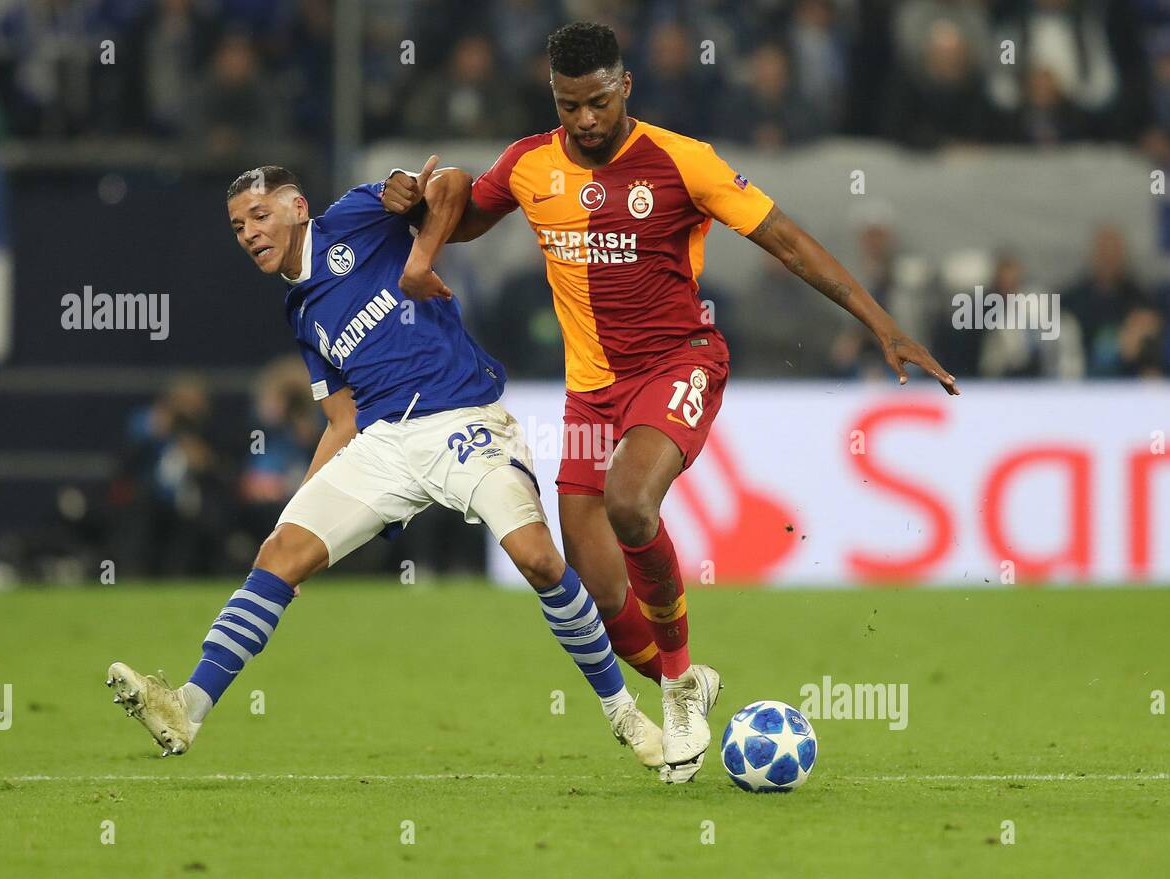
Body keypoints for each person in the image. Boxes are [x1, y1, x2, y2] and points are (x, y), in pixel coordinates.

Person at [382, 22, 958, 782]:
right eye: (567, 105)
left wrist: (883, 325)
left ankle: (682, 689)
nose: (583, 120)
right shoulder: (528, 164)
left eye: (596, 101)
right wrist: (407, 204)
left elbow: (788, 241)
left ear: (626, 87)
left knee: (629, 505)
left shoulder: (682, 162)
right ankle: (681, 677)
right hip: (591, 394)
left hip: (678, 364)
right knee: (595, 582)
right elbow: (456, 221)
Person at [107, 161, 663, 774]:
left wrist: (419, 251)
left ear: (297, 206)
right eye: (238, 228)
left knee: (537, 558)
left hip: (462, 419)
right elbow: (342, 421)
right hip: (382, 444)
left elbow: (450, 182)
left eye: (260, 216)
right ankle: (188, 706)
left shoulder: (356, 215)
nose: (250, 235)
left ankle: (623, 710)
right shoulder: (301, 311)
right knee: (279, 555)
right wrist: (304, 509)